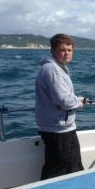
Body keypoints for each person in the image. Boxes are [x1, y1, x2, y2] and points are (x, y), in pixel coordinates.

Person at [35, 33, 86, 180]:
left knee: (71, 165)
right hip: (57, 129)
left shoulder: (58, 68)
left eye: (69, 50)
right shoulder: (53, 70)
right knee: (59, 169)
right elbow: (63, 101)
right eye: (62, 50)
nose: (66, 53)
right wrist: (80, 102)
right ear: (53, 50)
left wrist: (76, 100)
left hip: (61, 127)